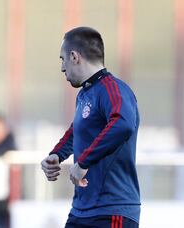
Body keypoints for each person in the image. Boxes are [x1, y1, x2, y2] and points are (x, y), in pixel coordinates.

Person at [41, 27, 140, 228]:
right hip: (82, 209)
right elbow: (77, 129)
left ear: (74, 56)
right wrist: (57, 155)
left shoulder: (113, 88)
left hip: (112, 209)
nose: (62, 68)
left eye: (63, 59)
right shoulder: (86, 93)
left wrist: (83, 163)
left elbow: (122, 124)